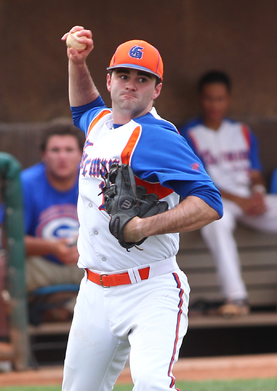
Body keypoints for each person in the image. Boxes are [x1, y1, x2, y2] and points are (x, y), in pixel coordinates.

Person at [60, 26, 223, 391]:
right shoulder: (100, 122)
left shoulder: (156, 136)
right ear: (110, 79)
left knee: (151, 384)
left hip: (150, 287)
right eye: (123, 75)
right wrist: (77, 62)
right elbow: (84, 107)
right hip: (95, 291)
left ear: (157, 88)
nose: (130, 84)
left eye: (142, 78)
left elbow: (210, 203)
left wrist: (142, 227)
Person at [181, 70, 277, 316]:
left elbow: (254, 172)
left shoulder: (241, 131)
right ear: (201, 99)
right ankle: (236, 297)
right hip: (217, 201)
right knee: (215, 221)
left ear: (228, 100)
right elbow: (199, 180)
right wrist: (241, 201)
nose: (215, 104)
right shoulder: (188, 133)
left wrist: (258, 192)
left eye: (220, 98)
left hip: (247, 199)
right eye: (210, 98)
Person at [1, 121, 85, 293]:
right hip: (40, 265)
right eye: (55, 150)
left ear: (81, 154)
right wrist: (51, 247)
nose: (62, 156)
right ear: (43, 155)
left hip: (86, 264)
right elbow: (8, 238)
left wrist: (86, 247)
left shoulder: (95, 181)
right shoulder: (25, 183)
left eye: (69, 150)